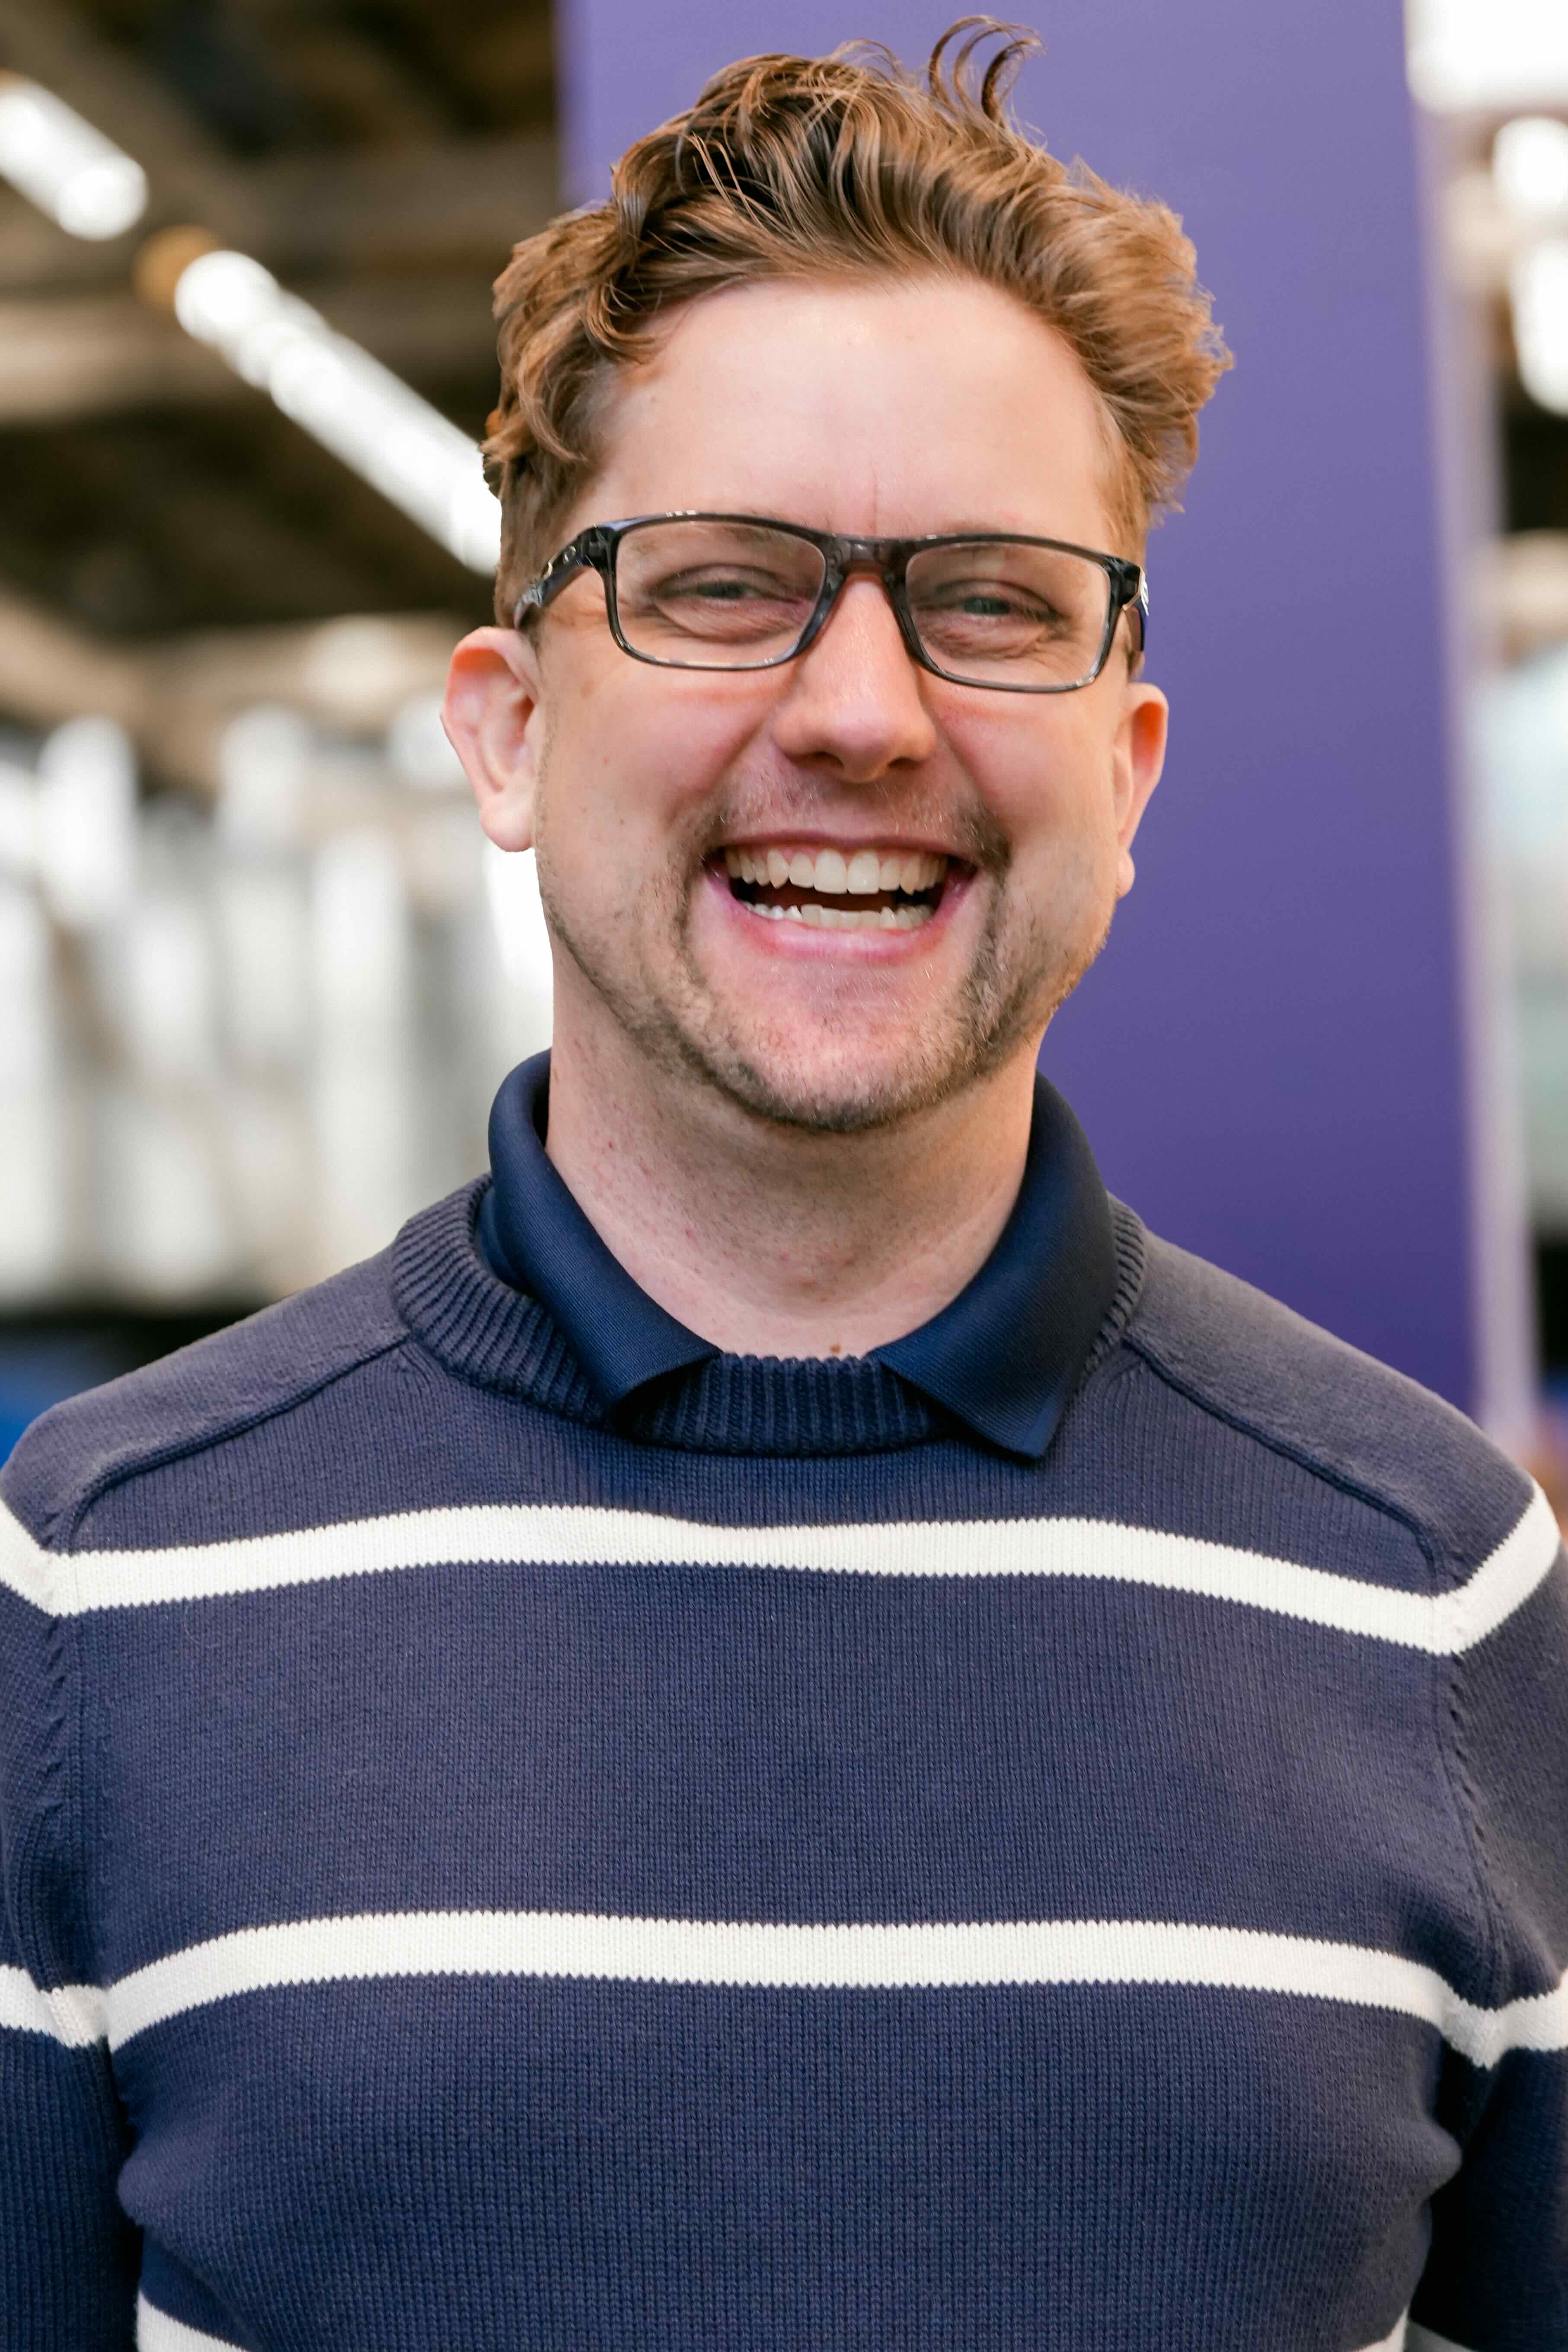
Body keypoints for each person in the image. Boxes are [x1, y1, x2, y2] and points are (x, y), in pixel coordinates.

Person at [2, 24, 1564, 2352]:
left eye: (997, 600)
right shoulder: (104, 1584)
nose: (861, 710)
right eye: (725, 584)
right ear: (511, 727)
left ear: (1126, 773)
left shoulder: (1438, 1593)